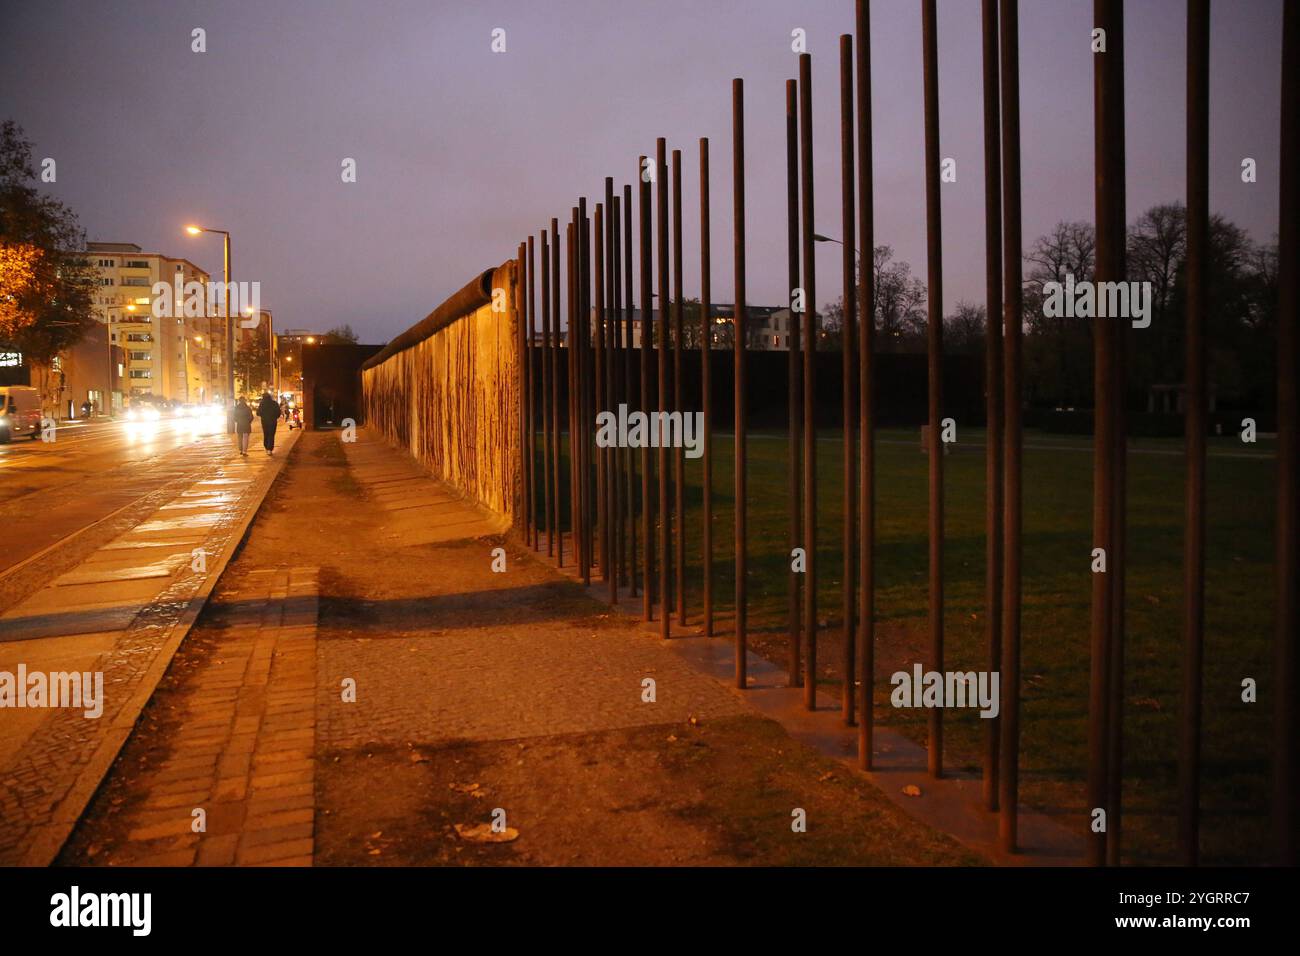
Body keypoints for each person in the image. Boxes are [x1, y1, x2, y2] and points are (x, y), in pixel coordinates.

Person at [257, 391, 280, 455]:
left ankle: (267, 447)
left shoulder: (262, 404)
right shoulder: (274, 403)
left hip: (264, 422)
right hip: (273, 422)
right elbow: (278, 412)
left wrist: (263, 415)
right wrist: (275, 417)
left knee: (266, 434)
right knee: (271, 435)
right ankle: (270, 449)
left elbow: (258, 413)